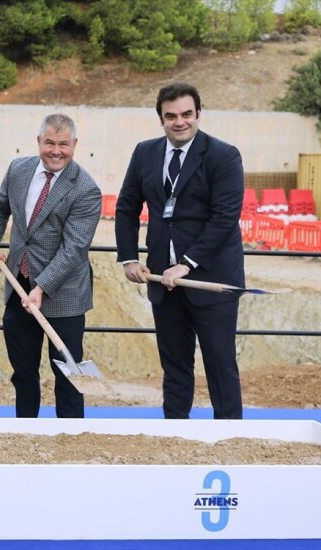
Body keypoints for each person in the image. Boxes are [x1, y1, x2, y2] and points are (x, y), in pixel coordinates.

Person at [115, 82, 245, 420]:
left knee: (220, 365)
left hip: (211, 280)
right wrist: (129, 257)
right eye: (170, 116)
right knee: (174, 367)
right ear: (161, 118)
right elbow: (127, 207)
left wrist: (186, 263)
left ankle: (230, 437)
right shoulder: (145, 152)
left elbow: (225, 218)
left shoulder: (224, 156)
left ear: (198, 113)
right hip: (163, 281)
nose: (179, 121)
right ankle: (176, 434)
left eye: (187, 114)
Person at [0, 114, 101, 419]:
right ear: (38, 141)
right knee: (23, 372)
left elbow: (74, 248)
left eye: (64, 144)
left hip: (64, 293)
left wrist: (41, 287)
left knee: (68, 375)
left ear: (74, 144)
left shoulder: (86, 189)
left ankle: (70, 435)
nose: (56, 151)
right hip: (19, 285)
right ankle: (27, 430)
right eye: (50, 143)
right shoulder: (18, 170)